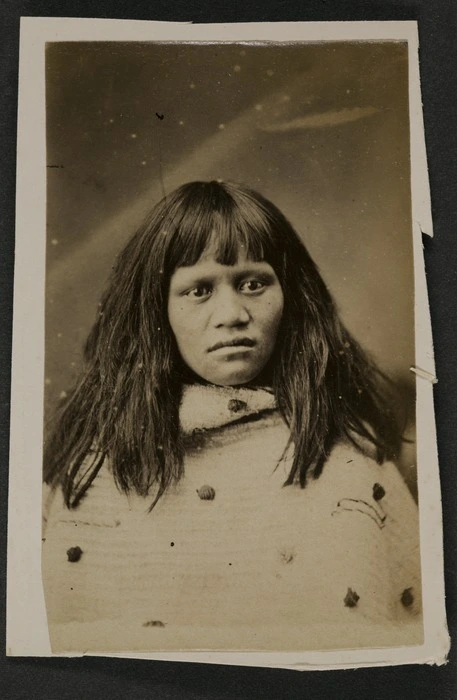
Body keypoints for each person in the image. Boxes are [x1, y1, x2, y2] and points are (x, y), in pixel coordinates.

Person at [42, 180, 422, 653]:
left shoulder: (344, 456)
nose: (232, 313)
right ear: (154, 312)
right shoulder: (97, 466)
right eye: (199, 290)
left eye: (252, 283)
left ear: (291, 296)